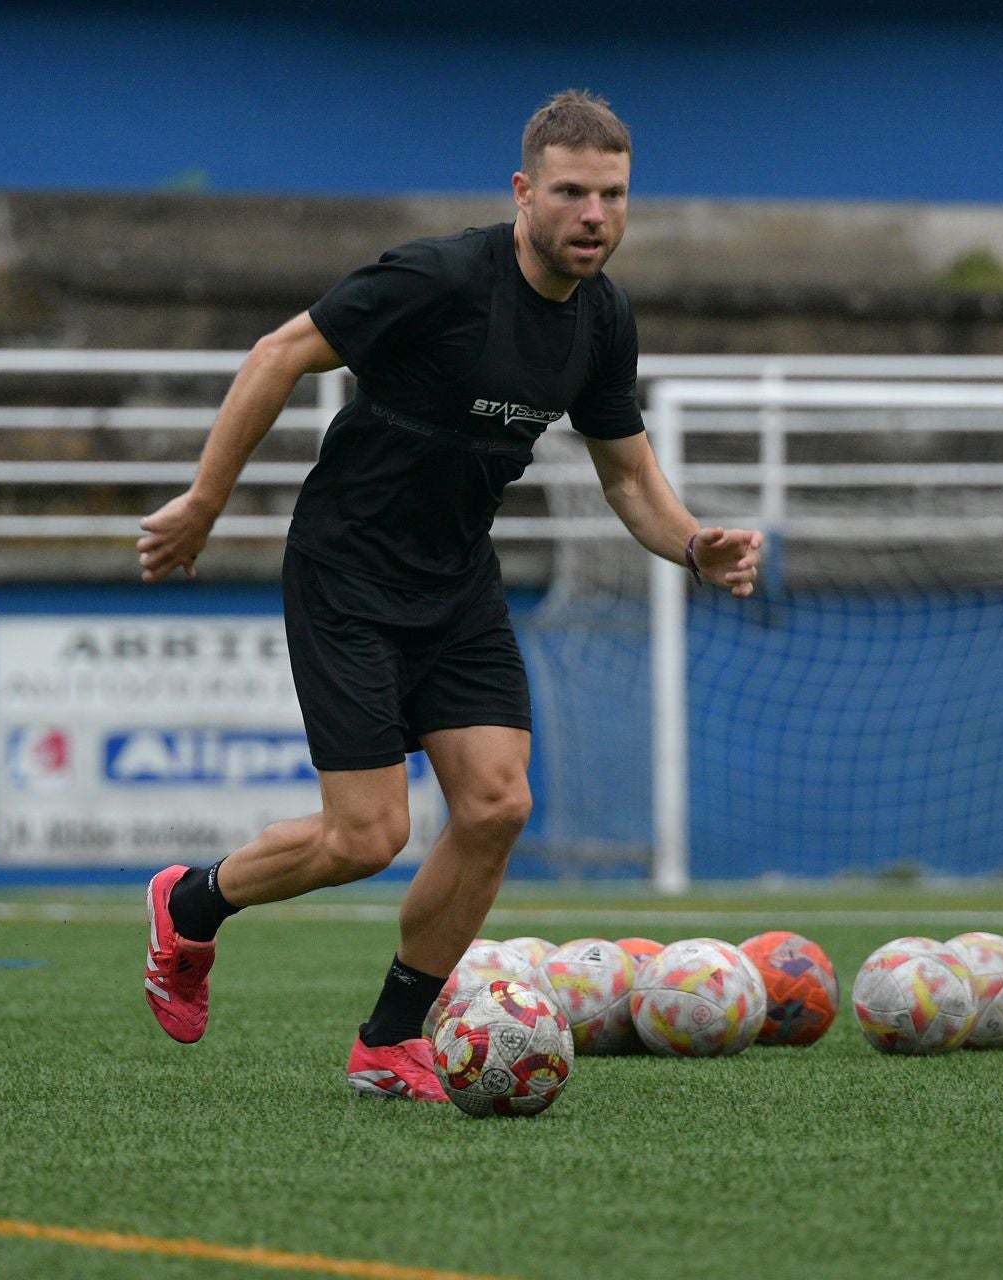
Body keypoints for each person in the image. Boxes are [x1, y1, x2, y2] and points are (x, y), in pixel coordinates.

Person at [134, 89, 763, 1101]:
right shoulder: (436, 277)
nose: (594, 214)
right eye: (570, 192)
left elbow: (630, 480)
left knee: (498, 802)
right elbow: (278, 353)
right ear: (524, 192)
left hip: (457, 580)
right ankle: (190, 903)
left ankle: (389, 1039)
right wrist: (206, 501)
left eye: (612, 195)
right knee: (366, 836)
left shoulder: (603, 318)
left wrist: (695, 544)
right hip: (347, 570)